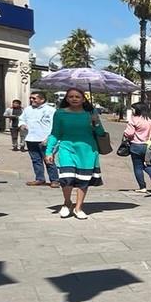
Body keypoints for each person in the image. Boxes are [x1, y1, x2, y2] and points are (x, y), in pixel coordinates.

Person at [44, 88, 106, 220]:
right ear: (66, 99)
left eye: (77, 97)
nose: (74, 99)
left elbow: (101, 133)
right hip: (66, 149)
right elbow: (55, 133)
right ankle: (67, 202)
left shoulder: (91, 113)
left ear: (83, 99)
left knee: (83, 180)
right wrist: (49, 151)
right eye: (71, 96)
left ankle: (78, 207)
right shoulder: (60, 114)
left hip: (88, 151)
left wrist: (96, 123)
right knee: (67, 178)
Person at [19, 91, 59, 187]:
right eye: (31, 98)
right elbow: (21, 119)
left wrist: (49, 138)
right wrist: (22, 125)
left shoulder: (50, 110)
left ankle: (54, 180)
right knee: (36, 160)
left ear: (42, 99)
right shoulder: (27, 109)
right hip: (31, 138)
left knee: (48, 160)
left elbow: (55, 125)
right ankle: (40, 178)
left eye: (34, 98)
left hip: (44, 139)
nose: (32, 100)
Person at [122, 102, 151, 194]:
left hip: (137, 145)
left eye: (133, 109)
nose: (132, 111)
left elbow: (129, 133)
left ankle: (142, 187)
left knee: (138, 167)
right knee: (148, 164)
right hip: (150, 146)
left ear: (139, 109)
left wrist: (125, 134)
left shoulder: (134, 120)